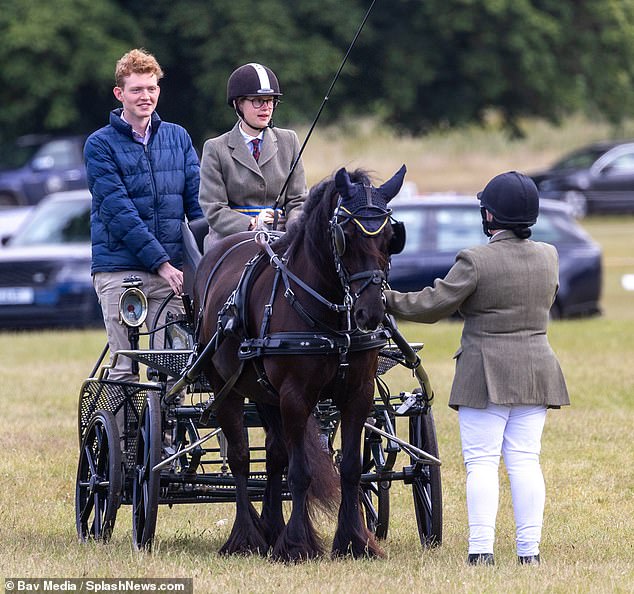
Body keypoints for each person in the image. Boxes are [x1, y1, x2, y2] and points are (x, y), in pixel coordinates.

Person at [384, 171, 570, 566]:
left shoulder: (475, 259)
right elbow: (546, 298)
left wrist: (387, 299)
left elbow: (433, 305)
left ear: (491, 217)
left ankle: (481, 550)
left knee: (481, 462)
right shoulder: (549, 255)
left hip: (484, 370)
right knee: (525, 459)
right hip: (537, 367)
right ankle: (528, 552)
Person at [84, 48, 203, 384]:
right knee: (125, 369)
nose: (145, 96)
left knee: (176, 366)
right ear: (119, 94)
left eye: (151, 88)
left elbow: (196, 208)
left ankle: (166, 436)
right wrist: (162, 263)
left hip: (172, 275)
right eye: (136, 89)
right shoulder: (100, 145)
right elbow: (119, 212)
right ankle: (128, 438)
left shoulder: (178, 137)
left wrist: (204, 262)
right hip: (120, 269)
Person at [198, 62, 308, 250]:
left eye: (271, 100)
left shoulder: (289, 141)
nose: (266, 107)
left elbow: (298, 200)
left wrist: (292, 229)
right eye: (258, 101)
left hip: (281, 237)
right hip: (232, 241)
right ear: (238, 104)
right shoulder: (215, 148)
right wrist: (252, 223)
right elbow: (214, 209)